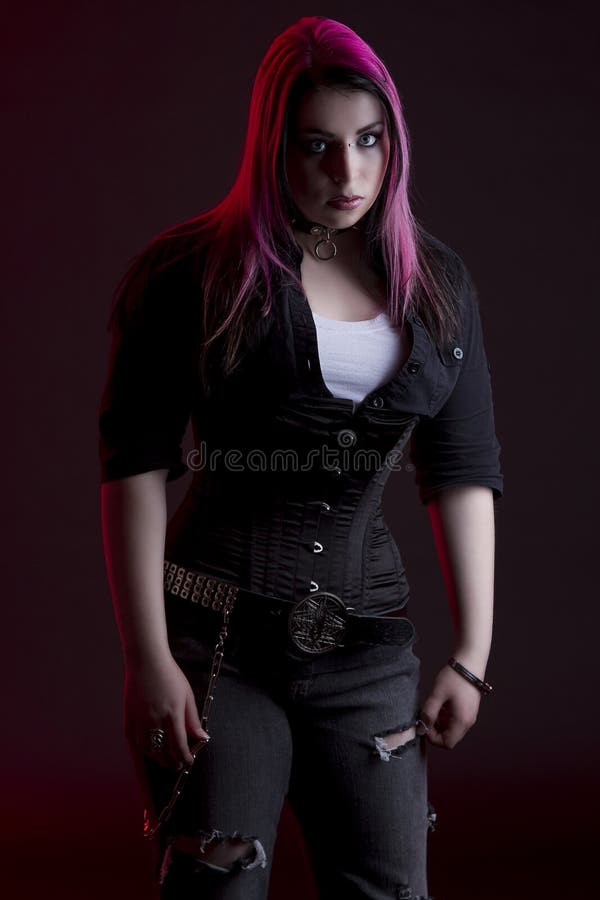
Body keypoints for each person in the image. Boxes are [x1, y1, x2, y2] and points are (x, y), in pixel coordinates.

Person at [98, 14, 502, 900]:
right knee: (218, 886)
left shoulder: (437, 287)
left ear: (393, 142)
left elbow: (462, 470)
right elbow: (135, 468)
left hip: (366, 651)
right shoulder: (190, 274)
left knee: (387, 892)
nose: (348, 174)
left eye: (369, 141)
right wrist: (147, 658)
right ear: (272, 147)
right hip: (215, 643)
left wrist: (471, 653)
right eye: (317, 146)